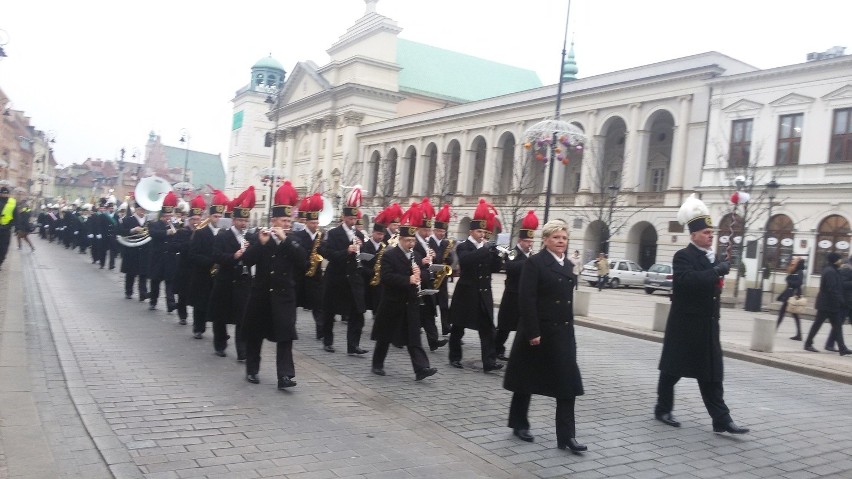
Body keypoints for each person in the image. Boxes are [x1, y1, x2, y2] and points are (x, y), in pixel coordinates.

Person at [655, 194, 749, 435]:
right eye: (706, 232)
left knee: (712, 374)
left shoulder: (712, 257)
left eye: (711, 232)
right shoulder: (683, 256)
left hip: (707, 325)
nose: (710, 236)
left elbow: (710, 286)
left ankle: (722, 419)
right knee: (672, 370)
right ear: (694, 235)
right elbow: (687, 281)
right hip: (685, 324)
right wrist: (716, 271)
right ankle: (663, 408)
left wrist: (717, 270)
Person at [503, 219, 586, 451]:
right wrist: (533, 331)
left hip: (563, 333)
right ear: (546, 240)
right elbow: (526, 299)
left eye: (564, 238)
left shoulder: (569, 265)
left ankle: (567, 437)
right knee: (526, 380)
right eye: (556, 237)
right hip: (539, 332)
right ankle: (519, 423)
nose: (561, 242)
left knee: (567, 385)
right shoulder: (535, 263)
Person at [241, 182, 306, 389]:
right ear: (274, 220)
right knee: (255, 335)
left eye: (289, 220)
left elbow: (302, 262)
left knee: (285, 336)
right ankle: (252, 370)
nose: (287, 224)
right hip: (261, 295)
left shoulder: (294, 240)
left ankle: (285, 376)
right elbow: (247, 261)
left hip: (284, 296)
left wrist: (285, 239)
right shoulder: (260, 237)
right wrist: (260, 243)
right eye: (283, 220)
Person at [370, 202, 438, 381]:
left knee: (414, 338)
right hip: (393, 302)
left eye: (413, 240)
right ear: (400, 239)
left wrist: (421, 274)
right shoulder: (390, 254)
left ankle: (421, 368)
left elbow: (421, 274)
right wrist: (407, 279)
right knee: (385, 337)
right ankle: (377, 364)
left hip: (411, 302)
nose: (411, 243)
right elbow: (386, 277)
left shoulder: (414, 254)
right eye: (408, 240)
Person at [448, 198, 504, 372]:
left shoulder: (485, 248)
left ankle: (489, 362)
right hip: (466, 292)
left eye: (484, 231)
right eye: (479, 231)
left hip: (484, 293)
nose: (482, 234)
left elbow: (495, 268)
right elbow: (466, 261)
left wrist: (496, 256)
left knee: (487, 329)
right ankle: (455, 357)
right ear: (471, 231)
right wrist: (486, 250)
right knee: (458, 326)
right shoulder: (463, 246)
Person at [317, 187, 369, 355]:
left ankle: (353, 345)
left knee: (357, 313)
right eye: (350, 218)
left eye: (355, 218)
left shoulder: (360, 235)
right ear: (343, 217)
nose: (353, 221)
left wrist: (363, 252)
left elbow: (368, 255)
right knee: (330, 311)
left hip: (354, 278)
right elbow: (326, 253)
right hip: (336, 278)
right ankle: (328, 340)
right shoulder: (333, 233)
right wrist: (346, 251)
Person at [209, 186, 255, 359]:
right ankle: (220, 344)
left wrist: (250, 252)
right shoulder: (223, 236)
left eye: (246, 221)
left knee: (242, 317)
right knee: (221, 316)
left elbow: (253, 258)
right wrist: (233, 256)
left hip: (243, 283)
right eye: (240, 221)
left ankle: (241, 350)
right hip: (225, 281)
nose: (243, 224)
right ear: (234, 220)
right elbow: (216, 256)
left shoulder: (250, 237)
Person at [495, 210, 538, 361]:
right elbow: (510, 267)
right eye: (527, 242)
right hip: (512, 295)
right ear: (520, 241)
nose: (530, 244)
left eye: (531, 242)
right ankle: (497, 348)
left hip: (524, 296)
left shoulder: (531, 255)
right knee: (505, 327)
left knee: (524, 326)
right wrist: (529, 262)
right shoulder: (513, 252)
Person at [187, 190, 229, 339]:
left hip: (219, 274)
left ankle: (220, 333)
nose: (217, 219)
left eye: (219, 216)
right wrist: (209, 262)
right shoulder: (200, 232)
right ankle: (199, 328)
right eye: (215, 216)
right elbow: (192, 254)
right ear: (209, 216)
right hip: (203, 273)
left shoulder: (225, 234)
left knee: (217, 303)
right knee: (201, 302)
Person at [411, 198, 447, 352]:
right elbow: (412, 259)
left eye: (428, 230)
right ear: (419, 228)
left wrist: (434, 257)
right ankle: (402, 337)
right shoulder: (414, 241)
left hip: (427, 281)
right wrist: (423, 261)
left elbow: (435, 260)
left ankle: (433, 341)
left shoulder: (427, 242)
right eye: (425, 230)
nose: (428, 233)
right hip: (418, 280)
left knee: (428, 313)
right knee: (415, 315)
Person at [291, 193, 326, 340]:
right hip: (300, 275)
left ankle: (321, 331)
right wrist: (306, 262)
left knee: (318, 304)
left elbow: (324, 252)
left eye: (317, 223)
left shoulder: (320, 237)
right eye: (312, 223)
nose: (315, 225)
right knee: (295, 304)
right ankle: (291, 329)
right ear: (307, 223)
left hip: (315, 276)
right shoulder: (298, 235)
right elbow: (296, 255)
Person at [803, 252, 851, 355]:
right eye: (839, 259)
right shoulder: (830, 271)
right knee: (817, 324)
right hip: (826, 304)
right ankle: (808, 343)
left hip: (832, 305)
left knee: (837, 326)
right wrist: (841, 301)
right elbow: (832, 289)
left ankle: (842, 348)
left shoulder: (834, 270)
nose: (841, 261)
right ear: (835, 260)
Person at [147, 192, 179, 311]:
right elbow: (153, 234)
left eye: (170, 216)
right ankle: (153, 301)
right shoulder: (155, 225)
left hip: (169, 259)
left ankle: (170, 304)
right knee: (155, 282)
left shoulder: (174, 226)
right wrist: (166, 233)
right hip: (158, 258)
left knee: (169, 283)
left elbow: (176, 241)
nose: (168, 219)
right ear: (162, 216)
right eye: (166, 216)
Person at [119, 199, 151, 301]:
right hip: (132, 250)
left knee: (143, 273)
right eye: (140, 209)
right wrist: (132, 230)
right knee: (131, 273)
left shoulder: (148, 221)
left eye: (144, 209)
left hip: (145, 250)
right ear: (136, 209)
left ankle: (143, 293)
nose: (142, 211)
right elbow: (121, 232)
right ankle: (129, 291)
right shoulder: (128, 220)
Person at [429, 203, 454, 335]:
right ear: (434, 231)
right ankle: (430, 328)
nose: (441, 234)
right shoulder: (429, 242)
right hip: (431, 278)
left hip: (442, 278)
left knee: (444, 305)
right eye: (439, 231)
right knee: (431, 305)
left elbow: (450, 258)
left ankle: (446, 327)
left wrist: (449, 260)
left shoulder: (445, 243)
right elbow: (436, 258)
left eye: (443, 232)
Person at [776, 257, 805, 340]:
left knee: (789, 314)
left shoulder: (799, 271)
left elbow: (798, 283)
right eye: (792, 259)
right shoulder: (793, 270)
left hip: (793, 296)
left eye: (794, 260)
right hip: (789, 295)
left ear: (798, 262)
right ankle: (799, 334)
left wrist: (789, 280)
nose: (792, 260)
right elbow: (789, 285)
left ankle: (799, 335)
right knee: (786, 313)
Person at [0, 186, 18, 270]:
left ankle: (1, 260)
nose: (4, 194)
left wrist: (16, 227)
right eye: (3, 193)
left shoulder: (12, 203)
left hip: (6, 229)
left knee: (4, 248)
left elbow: (16, 217)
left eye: (6, 193)